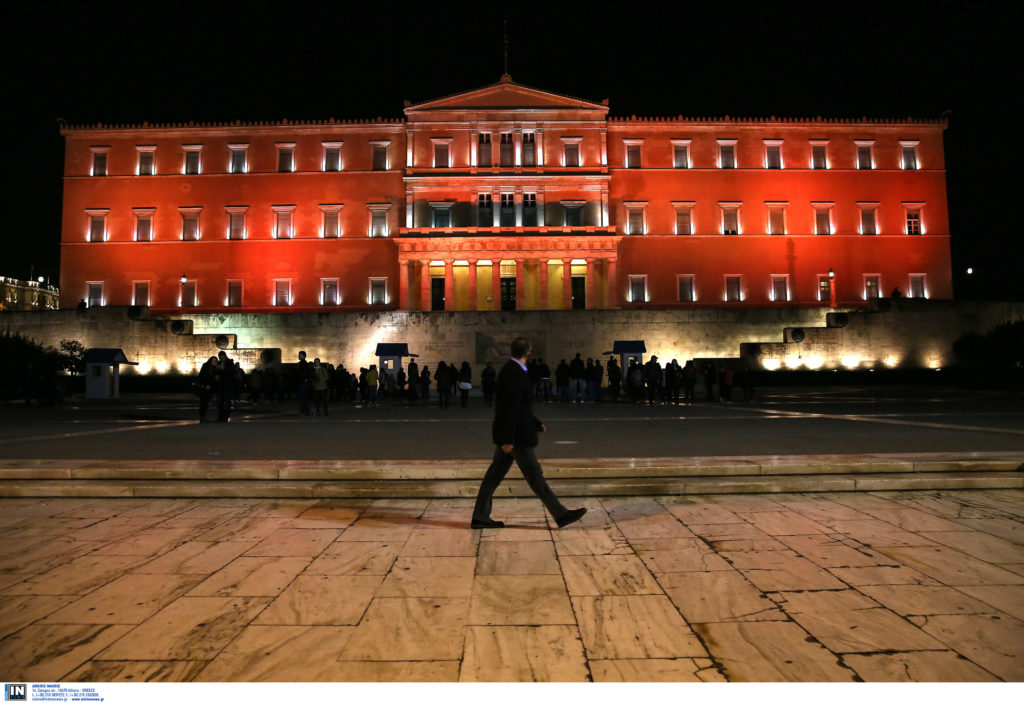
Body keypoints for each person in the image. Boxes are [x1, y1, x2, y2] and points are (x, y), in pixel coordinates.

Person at [471, 337, 587, 530]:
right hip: (516, 438)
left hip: (513, 434)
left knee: (493, 477)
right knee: (534, 475)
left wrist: (535, 422)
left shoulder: (514, 370)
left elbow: (520, 405)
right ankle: (561, 514)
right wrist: (507, 438)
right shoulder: (514, 372)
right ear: (527, 352)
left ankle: (480, 516)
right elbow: (510, 408)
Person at [196, 356, 217, 422]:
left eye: (216, 361)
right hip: (204, 388)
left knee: (205, 403)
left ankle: (203, 417)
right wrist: (205, 385)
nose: (215, 362)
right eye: (213, 360)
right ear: (210, 361)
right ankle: (202, 417)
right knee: (203, 403)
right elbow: (202, 377)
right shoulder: (206, 366)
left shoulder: (214, 368)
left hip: (209, 388)